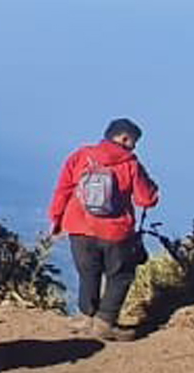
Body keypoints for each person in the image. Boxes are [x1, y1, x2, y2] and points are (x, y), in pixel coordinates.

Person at [48, 118, 160, 342]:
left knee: (88, 273)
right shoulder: (131, 164)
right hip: (115, 232)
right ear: (124, 138)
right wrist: (153, 189)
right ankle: (105, 323)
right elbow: (145, 200)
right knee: (120, 276)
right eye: (134, 141)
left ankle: (85, 317)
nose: (134, 147)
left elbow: (63, 189)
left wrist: (57, 220)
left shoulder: (81, 156)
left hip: (78, 227)